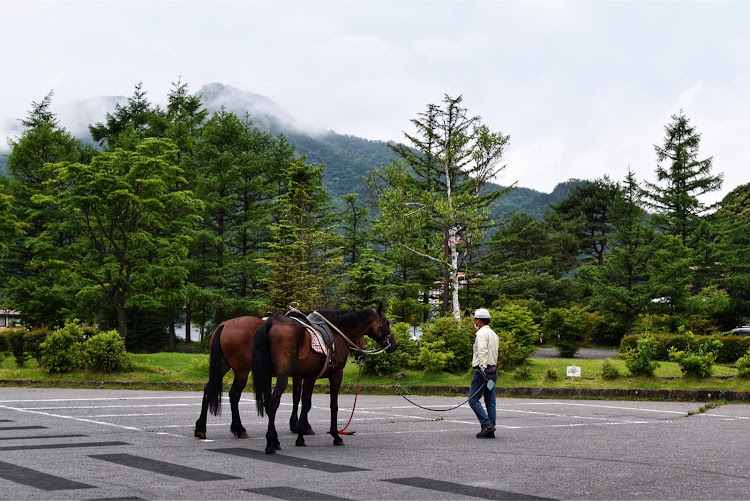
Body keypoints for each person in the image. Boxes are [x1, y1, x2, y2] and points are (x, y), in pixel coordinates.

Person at [469, 308, 499, 438]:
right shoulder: (493, 334)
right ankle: (490, 427)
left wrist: (482, 368)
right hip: (493, 370)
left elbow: (482, 352)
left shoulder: (481, 334)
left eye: (475, 320)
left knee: (473, 399)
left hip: (483, 371)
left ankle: (486, 425)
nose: (474, 322)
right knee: (490, 400)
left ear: (479, 321)